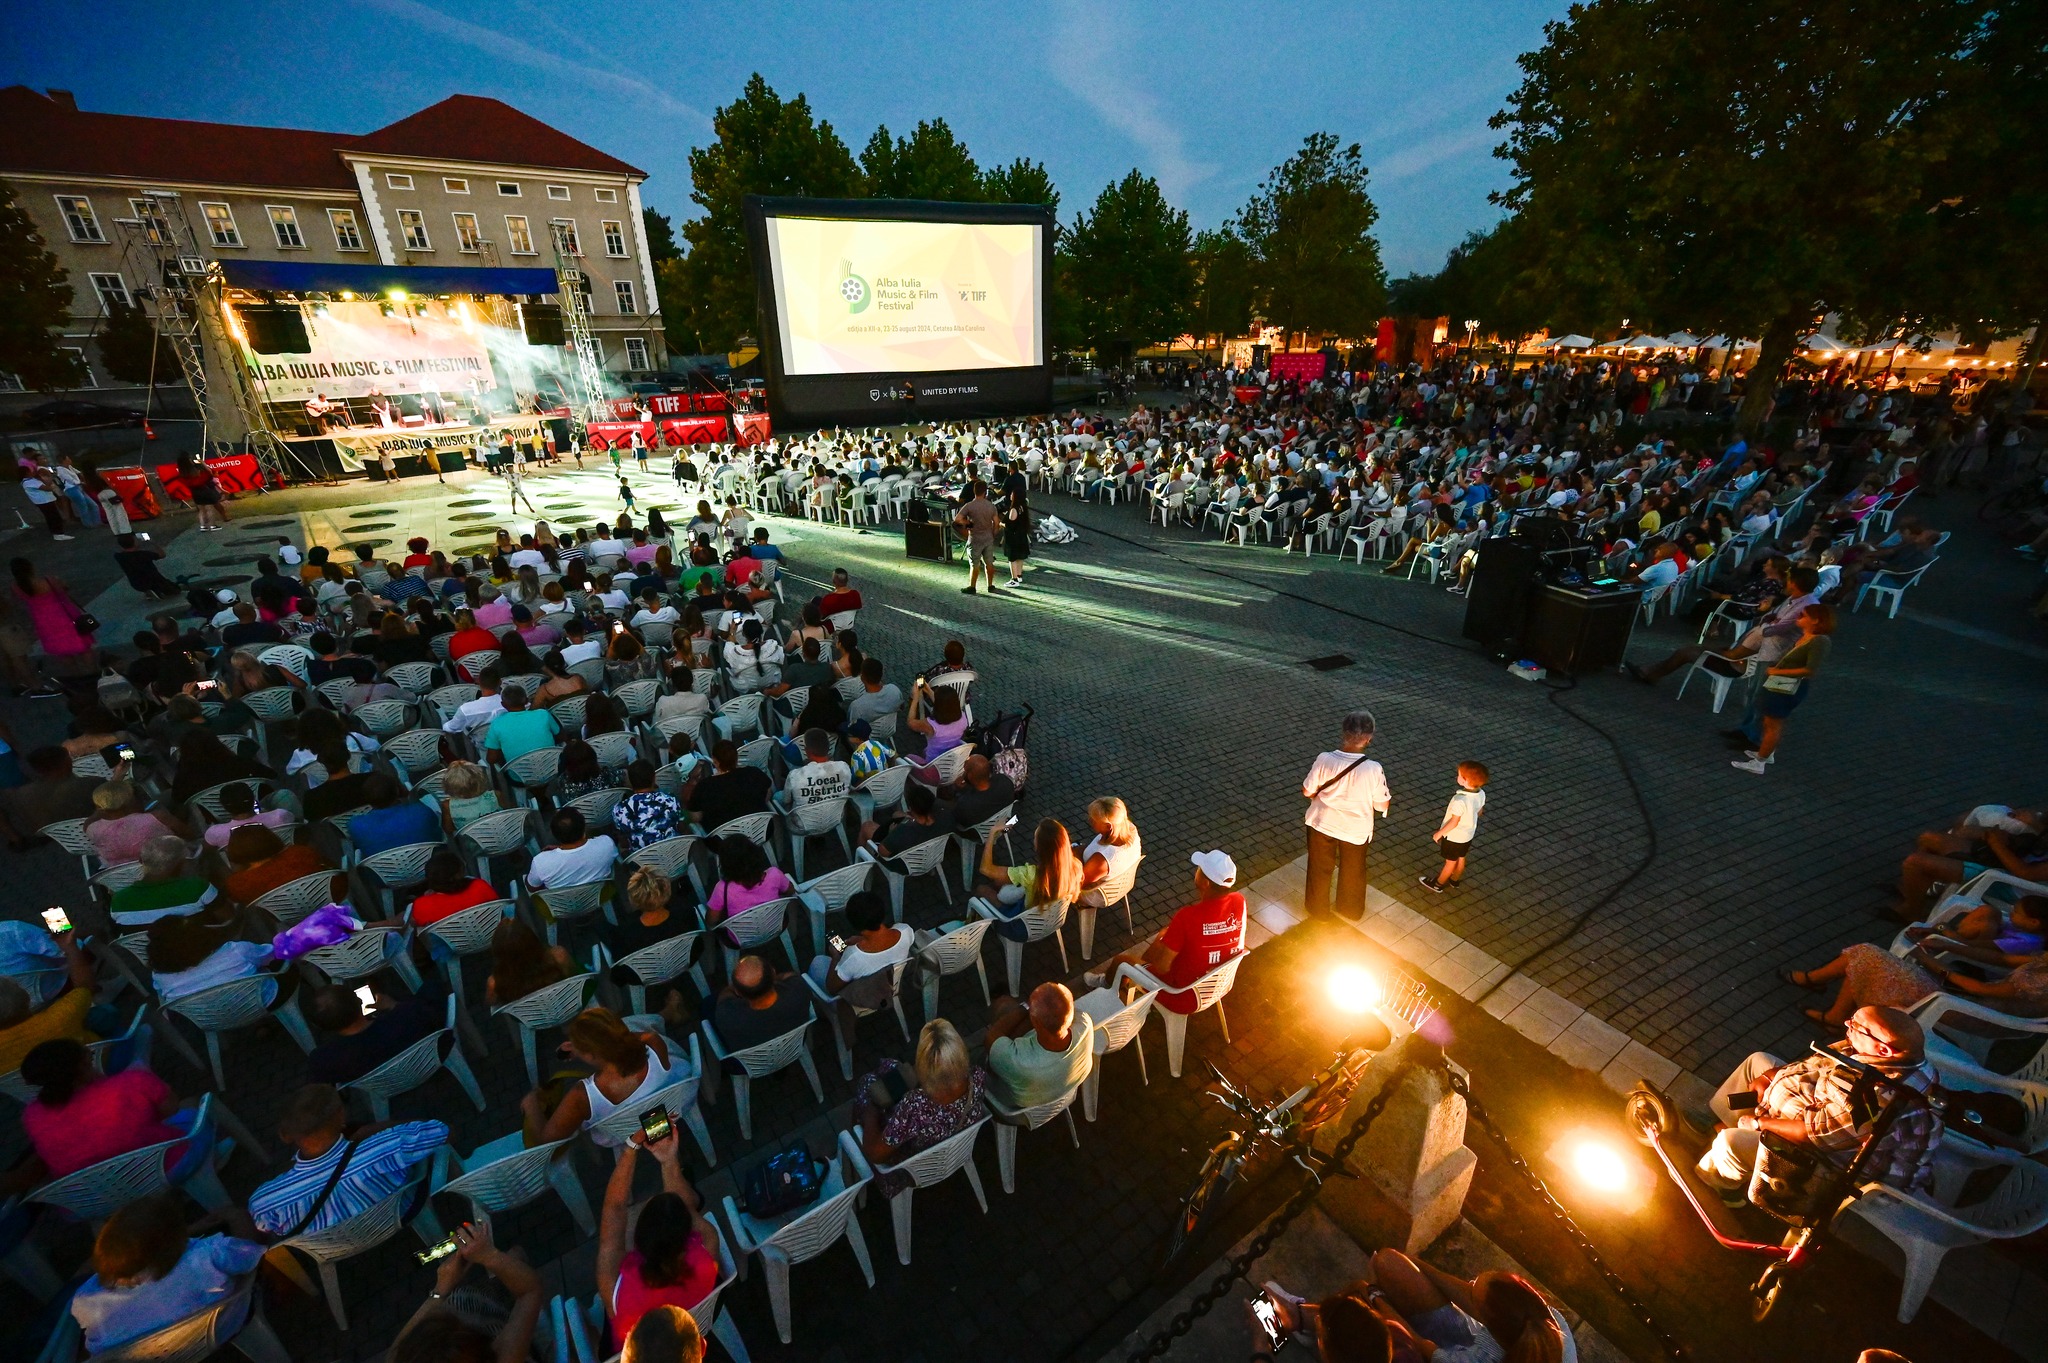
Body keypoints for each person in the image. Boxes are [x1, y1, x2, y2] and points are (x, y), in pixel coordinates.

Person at [1698, 1006, 1942, 1206]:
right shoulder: (1884, 1055)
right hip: (1818, 1114)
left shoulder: (1877, 1098)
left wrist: (1757, 1123)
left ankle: (1720, 1187)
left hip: (1828, 1165)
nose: (1847, 1024)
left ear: (1883, 1049)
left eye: (1856, 1026)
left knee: (1731, 1143)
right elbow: (1813, 1063)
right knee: (1758, 1062)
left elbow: (1811, 1136)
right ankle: (1721, 1127)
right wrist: (1769, 1076)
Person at [67, 1194, 268, 1353]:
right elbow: (250, 1252)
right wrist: (235, 1215)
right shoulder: (207, 1255)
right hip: (220, 1332)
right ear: (177, 1241)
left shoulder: (87, 1299)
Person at [248, 1082, 447, 1238]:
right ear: (341, 1114)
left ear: (285, 1135)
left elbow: (267, 1232)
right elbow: (443, 1131)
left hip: (333, 1249)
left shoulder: (263, 1202)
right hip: (399, 1215)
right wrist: (374, 1130)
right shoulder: (389, 1145)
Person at [596, 1123, 719, 1350]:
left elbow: (614, 1209)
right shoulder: (708, 1245)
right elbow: (688, 1206)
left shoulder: (614, 1286)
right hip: (689, 1332)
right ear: (686, 1236)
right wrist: (669, 1160)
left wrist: (631, 1147)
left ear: (638, 1240)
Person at [1085, 850, 1245, 1007]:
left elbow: (1162, 967)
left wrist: (1162, 944)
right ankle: (1137, 978)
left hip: (1180, 995)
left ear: (1206, 883)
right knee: (1163, 938)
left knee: (1121, 962)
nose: (1196, 871)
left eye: (1199, 870)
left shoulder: (1187, 917)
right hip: (1217, 984)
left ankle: (1107, 985)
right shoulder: (1239, 901)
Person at [18, 1038, 185, 1180]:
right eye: (90, 1057)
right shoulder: (132, 1082)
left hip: (94, 1199)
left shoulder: (32, 1116)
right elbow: (171, 1109)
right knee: (191, 1109)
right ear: (83, 1065)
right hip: (163, 1168)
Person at [852, 1017, 989, 1187]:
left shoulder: (914, 1105)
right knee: (890, 1066)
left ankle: (854, 1151)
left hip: (912, 1171)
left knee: (867, 1083)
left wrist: (870, 1112)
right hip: (956, 1150)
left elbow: (875, 1155)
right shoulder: (977, 1076)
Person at [387, 1221, 545, 1363]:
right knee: (516, 1256)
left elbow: (396, 1351)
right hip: (501, 1325)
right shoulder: (506, 1357)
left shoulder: (401, 1358)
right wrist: (490, 1256)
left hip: (480, 1309)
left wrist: (441, 1287)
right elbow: (529, 1292)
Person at [522, 1007, 681, 1148]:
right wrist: (586, 1046)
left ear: (591, 1055)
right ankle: (668, 1012)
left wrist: (531, 1105)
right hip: (670, 1113)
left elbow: (545, 1141)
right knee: (635, 1022)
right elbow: (626, 1039)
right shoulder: (654, 1042)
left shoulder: (582, 1096)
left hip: (627, 1136)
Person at [1301, 710, 1390, 921]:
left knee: (1319, 868)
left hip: (1321, 822)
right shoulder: (1373, 769)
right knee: (1353, 871)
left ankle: (1317, 909)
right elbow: (1381, 804)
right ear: (1369, 738)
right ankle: (1350, 909)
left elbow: (1307, 790)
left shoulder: (1324, 759)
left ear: (1344, 733)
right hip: (1356, 830)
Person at [1730, 604, 1835, 775]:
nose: (1799, 616)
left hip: (1786, 686)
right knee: (1768, 720)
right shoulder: (1806, 637)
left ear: (1815, 620)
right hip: (1779, 684)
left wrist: (1777, 671)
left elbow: (1810, 670)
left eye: (1804, 614)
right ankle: (1766, 752)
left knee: (1773, 724)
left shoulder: (1820, 641)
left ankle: (1759, 762)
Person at [304, 979, 448, 1085]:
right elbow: (433, 1014)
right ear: (360, 1003)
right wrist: (394, 1006)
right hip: (433, 1058)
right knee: (433, 986)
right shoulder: (407, 1017)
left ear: (321, 1027)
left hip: (387, 1085)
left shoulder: (323, 1060)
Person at [0, 922, 98, 1074]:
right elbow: (85, 986)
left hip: (39, 1094)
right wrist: (71, 946)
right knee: (106, 1015)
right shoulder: (62, 1016)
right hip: (58, 987)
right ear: (25, 998)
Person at [984, 981, 1093, 1107]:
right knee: (1017, 1025)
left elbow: (990, 1037)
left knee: (1003, 1005)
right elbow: (1059, 1015)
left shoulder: (1019, 1061)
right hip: (1064, 1089)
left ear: (1035, 1022)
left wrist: (1025, 1007)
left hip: (1016, 1107)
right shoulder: (1085, 1023)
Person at [12, 556, 98, 693]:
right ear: (30, 568)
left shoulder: (17, 587)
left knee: (62, 651)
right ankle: (93, 674)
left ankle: (77, 677)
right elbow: (63, 589)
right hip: (63, 616)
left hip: (43, 620)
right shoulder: (47, 581)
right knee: (83, 646)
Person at [805, 887, 911, 994]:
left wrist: (835, 958)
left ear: (855, 925)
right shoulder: (906, 931)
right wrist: (861, 940)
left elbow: (831, 988)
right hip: (890, 986)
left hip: (862, 999)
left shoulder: (853, 957)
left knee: (818, 961)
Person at [710, 953, 813, 1052]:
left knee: (707, 1004)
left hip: (754, 1063)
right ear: (773, 973)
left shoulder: (726, 1016)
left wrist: (739, 988)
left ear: (738, 993)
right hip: (793, 1046)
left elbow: (724, 995)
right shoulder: (799, 988)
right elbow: (790, 975)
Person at [701, 833, 795, 942]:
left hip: (739, 938)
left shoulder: (722, 889)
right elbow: (791, 890)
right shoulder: (775, 874)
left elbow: (711, 921)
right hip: (776, 925)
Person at [109, 835, 218, 926]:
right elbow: (226, 919)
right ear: (181, 864)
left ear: (140, 861)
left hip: (145, 951)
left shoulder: (118, 901)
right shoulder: (198, 887)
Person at [85, 778, 190, 865]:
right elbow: (190, 835)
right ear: (130, 802)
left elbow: (94, 816)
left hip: (125, 878)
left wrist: (105, 802)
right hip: (169, 868)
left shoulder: (91, 827)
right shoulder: (158, 818)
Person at [1420, 761, 1488, 894]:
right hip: (1468, 834)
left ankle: (1438, 884)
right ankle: (1455, 879)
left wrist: (1439, 833)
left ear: (1465, 780)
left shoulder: (1460, 800)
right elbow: (1479, 812)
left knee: (1450, 862)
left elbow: (1454, 822)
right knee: (1461, 857)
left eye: (1459, 775)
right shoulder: (1481, 793)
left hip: (1454, 837)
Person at [683, 739, 772, 833]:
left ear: (715, 761)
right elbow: (768, 793)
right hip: (762, 830)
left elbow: (696, 817)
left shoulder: (704, 786)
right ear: (736, 758)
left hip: (724, 842)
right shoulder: (753, 773)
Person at [346, 772, 440, 858]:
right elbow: (436, 832)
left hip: (383, 875)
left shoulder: (355, 825)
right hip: (431, 864)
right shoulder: (421, 811)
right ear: (397, 791)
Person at [485, 918, 574, 1007]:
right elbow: (572, 977)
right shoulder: (558, 957)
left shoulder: (495, 983)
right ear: (533, 939)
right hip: (567, 1007)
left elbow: (492, 1003)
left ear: (498, 952)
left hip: (531, 1019)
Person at [1075, 796, 1142, 908]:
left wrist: (1072, 855)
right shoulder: (1130, 828)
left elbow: (1079, 882)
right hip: (1121, 881)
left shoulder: (1102, 859)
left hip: (1097, 894)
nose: (1090, 820)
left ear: (1108, 827)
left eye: (1094, 819)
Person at [481, 684, 561, 768]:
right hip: (552, 767)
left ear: (503, 704)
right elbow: (560, 736)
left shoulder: (496, 724)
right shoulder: (543, 714)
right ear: (526, 701)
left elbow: (491, 759)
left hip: (519, 776)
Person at [904, 681, 969, 783]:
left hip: (933, 769)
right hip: (953, 762)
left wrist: (915, 698)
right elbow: (945, 706)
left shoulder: (930, 726)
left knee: (907, 758)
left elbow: (910, 722)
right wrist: (929, 691)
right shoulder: (963, 718)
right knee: (924, 751)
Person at [616, 759, 685, 850]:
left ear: (631, 783)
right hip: (674, 854)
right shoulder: (670, 800)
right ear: (654, 778)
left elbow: (624, 843)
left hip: (644, 862)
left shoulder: (619, 810)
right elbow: (681, 828)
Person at [781, 727, 852, 808]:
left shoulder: (794, 776)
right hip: (836, 818)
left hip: (804, 820)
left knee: (778, 796)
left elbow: (786, 801)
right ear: (828, 748)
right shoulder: (844, 767)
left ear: (806, 751)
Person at [952, 479, 1001, 595]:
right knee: (989, 563)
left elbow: (957, 519)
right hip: (988, 538)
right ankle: (990, 585)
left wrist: (968, 524)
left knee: (974, 564)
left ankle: (972, 586)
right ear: (985, 492)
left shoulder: (969, 506)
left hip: (974, 538)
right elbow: (997, 523)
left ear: (974, 492)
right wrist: (993, 534)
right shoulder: (991, 506)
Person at [1000, 466, 1032, 588]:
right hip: (1021, 535)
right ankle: (1019, 576)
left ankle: (1013, 579)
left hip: (1013, 538)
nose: (1011, 495)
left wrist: (1001, 523)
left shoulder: (1014, 509)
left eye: (1012, 494)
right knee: (1020, 557)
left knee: (1012, 558)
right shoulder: (1023, 507)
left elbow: (1010, 523)